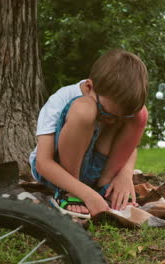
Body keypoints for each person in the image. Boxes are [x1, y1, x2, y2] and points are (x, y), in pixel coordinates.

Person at [29, 49, 148, 218]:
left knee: (140, 114)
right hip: (58, 170)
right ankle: (69, 191)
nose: (113, 122)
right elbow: (43, 163)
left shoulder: (112, 108)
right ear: (89, 86)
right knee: (84, 109)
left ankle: (104, 187)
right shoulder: (62, 98)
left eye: (121, 119)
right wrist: (85, 193)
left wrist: (125, 174)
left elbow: (129, 147)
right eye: (108, 114)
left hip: (97, 171)